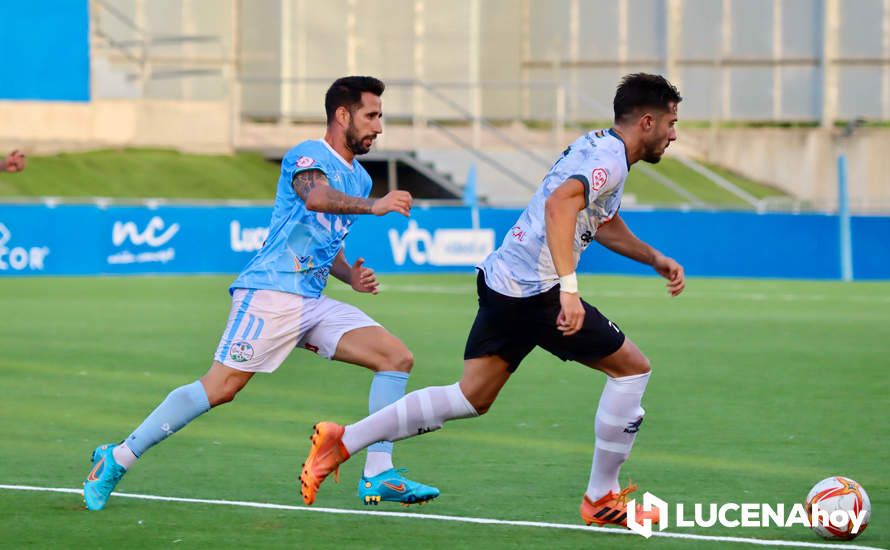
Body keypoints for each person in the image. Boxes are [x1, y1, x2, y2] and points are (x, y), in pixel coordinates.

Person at [299, 73, 686, 529]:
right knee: (633, 369)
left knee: (471, 396)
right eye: (671, 123)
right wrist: (569, 288)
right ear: (647, 121)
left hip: (504, 280)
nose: (674, 134)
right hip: (536, 291)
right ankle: (601, 498)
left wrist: (652, 257)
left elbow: (597, 217)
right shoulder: (610, 159)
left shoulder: (599, 146)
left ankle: (341, 441)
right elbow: (561, 205)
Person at [83, 76, 440, 511]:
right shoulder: (307, 156)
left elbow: (328, 242)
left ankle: (377, 473)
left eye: (380, 116)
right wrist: (375, 206)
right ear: (342, 115)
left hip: (310, 300)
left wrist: (350, 277)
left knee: (396, 358)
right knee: (220, 388)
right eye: (371, 115)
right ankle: (116, 458)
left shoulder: (360, 179)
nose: (379, 127)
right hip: (270, 292)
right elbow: (316, 199)